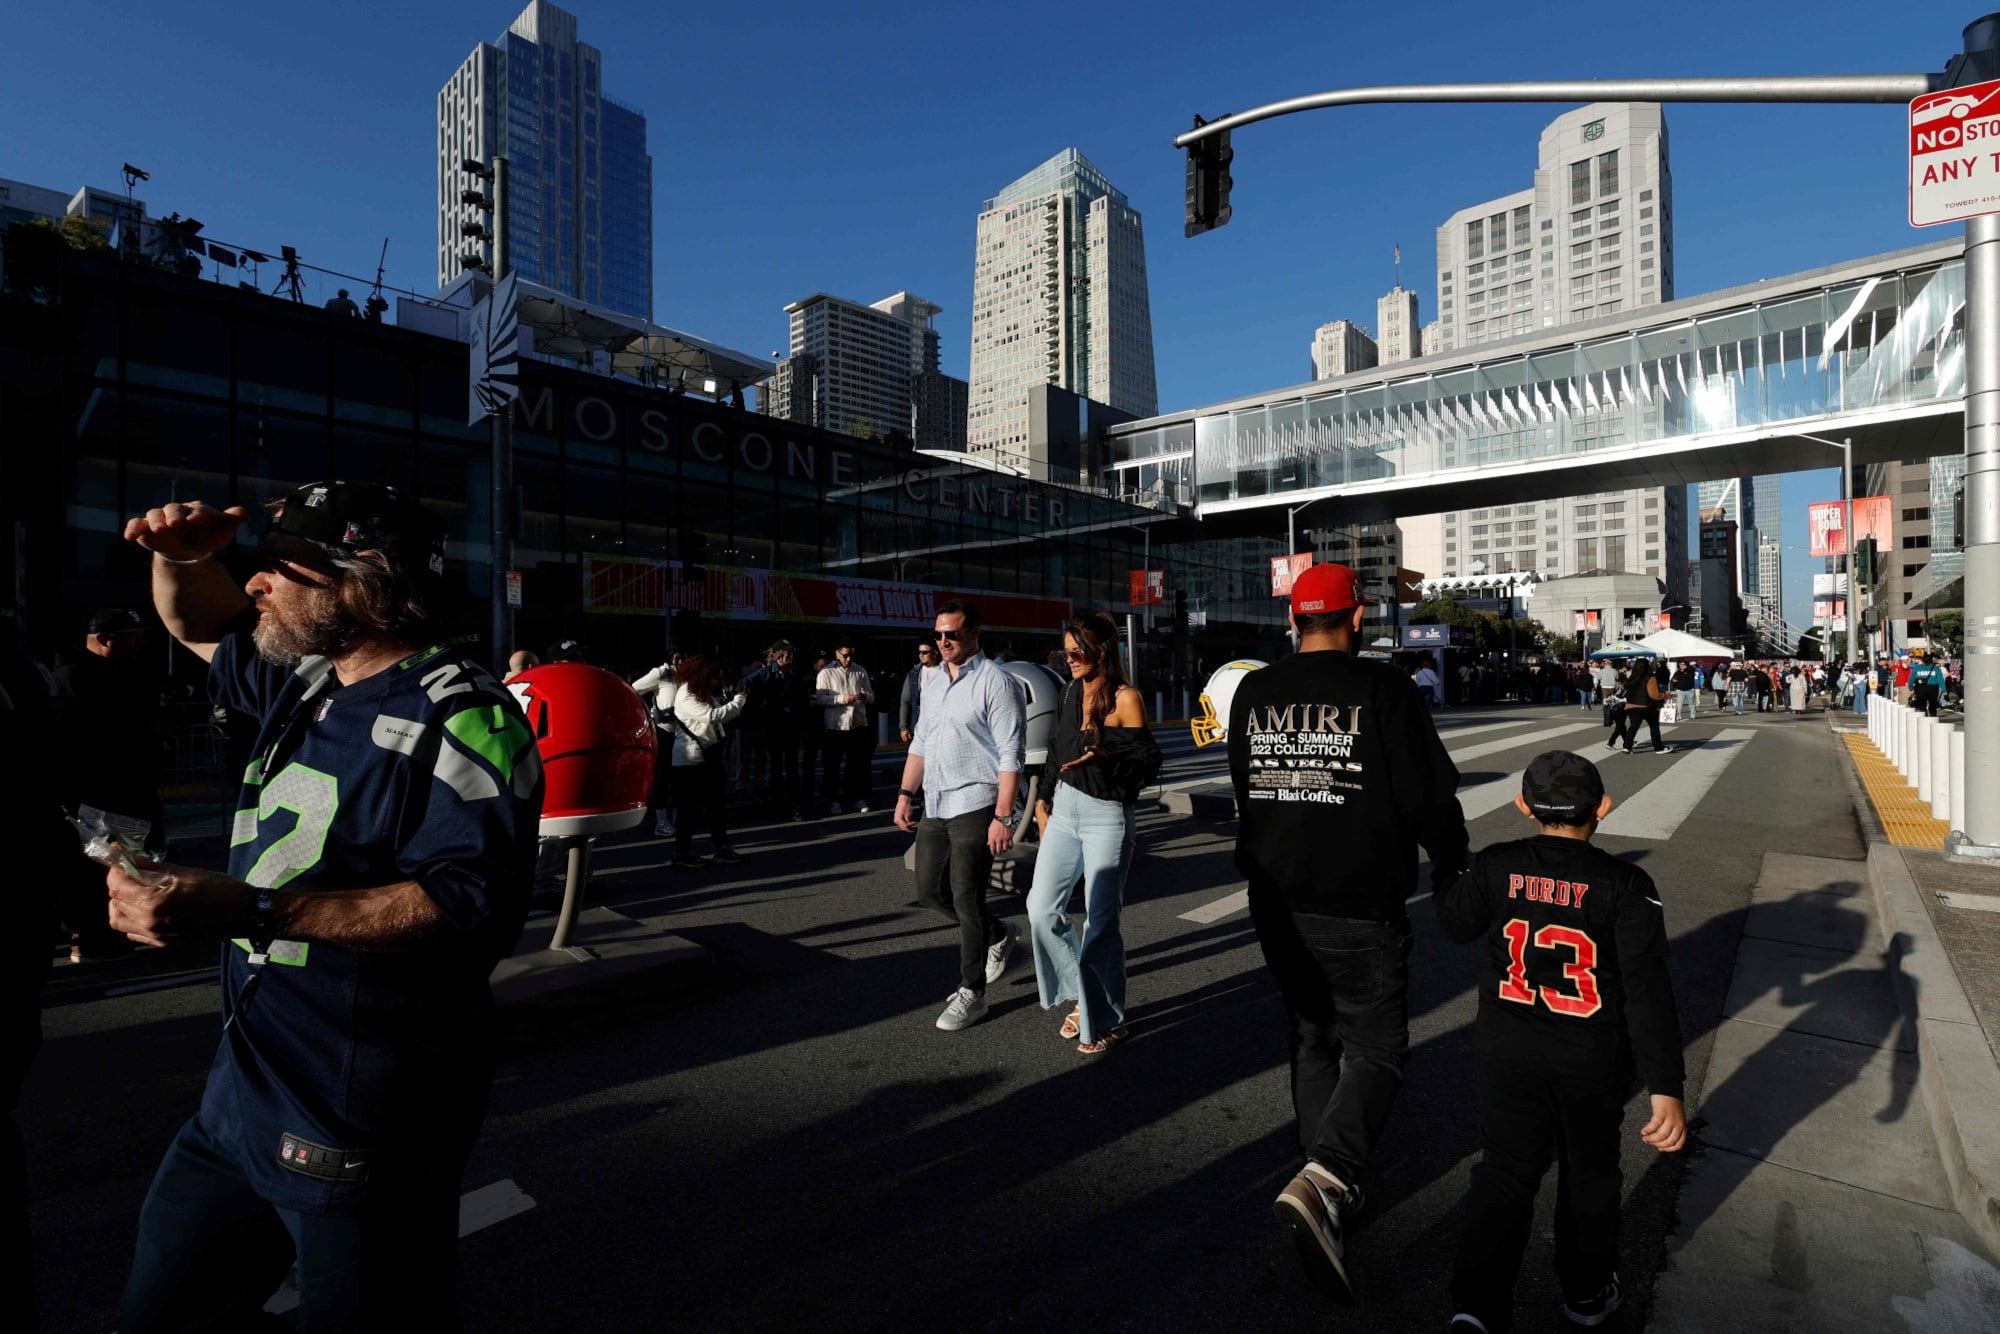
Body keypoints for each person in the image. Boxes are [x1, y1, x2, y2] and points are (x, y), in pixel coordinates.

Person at [111, 486, 541, 1330]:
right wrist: (179, 555)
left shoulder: (466, 714)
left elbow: (465, 909)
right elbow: (195, 623)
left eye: (280, 565)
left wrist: (251, 911)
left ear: (363, 579)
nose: (256, 582)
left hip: (362, 1111)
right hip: (241, 1099)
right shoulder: (305, 678)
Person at [1228, 563, 1470, 1305]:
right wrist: (1453, 864)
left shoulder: (1255, 692)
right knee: (1375, 1047)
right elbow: (1429, 796)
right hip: (1359, 899)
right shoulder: (1385, 689)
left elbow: (1247, 786)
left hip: (1276, 897)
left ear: (1293, 620)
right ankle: (1329, 1177)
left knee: (1310, 1036)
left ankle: (1319, 1173)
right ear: (1357, 617)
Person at [1435, 750, 1686, 1333]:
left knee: (1504, 1169)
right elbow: (1648, 991)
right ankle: (1586, 1290)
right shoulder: (1627, 884)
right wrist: (1665, 1087)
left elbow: (1455, 923)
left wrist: (1450, 864)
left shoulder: (1497, 865)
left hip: (1507, 1045)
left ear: (1523, 806)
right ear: (1602, 806)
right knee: (1590, 1171)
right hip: (1589, 1057)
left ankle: (1477, 1302)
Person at [1025, 613, 1160, 1055]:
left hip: (1107, 815)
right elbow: (1056, 754)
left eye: (1078, 651)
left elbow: (1146, 768)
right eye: (1066, 652)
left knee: (1101, 923)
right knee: (1041, 909)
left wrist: (1105, 754)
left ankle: (1107, 1017)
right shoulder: (1067, 691)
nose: (1071, 660)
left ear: (1102, 651)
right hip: (1063, 809)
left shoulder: (1125, 698)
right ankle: (1084, 994)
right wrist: (1043, 803)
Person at [893, 600, 1027, 1033]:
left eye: (952, 634)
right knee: (930, 891)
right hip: (936, 801)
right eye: (939, 634)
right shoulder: (931, 683)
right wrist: (904, 794)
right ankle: (999, 933)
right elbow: (921, 746)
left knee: (966, 896)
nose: (944, 641)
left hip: (978, 801)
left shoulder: (996, 682)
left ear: (974, 635)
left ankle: (973, 993)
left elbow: (1012, 754)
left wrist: (1003, 817)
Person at [52, 607, 168, 963]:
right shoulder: (73, 678)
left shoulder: (114, 673)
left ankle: (105, 931)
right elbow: (89, 738)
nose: (140, 644)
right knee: (98, 865)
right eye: (132, 637)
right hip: (100, 791)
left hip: (123, 788)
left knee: (125, 859)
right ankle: (93, 936)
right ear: (104, 640)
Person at [665, 655, 748, 868]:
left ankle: (721, 848)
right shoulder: (685, 694)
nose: (716, 680)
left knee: (716, 808)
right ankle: (682, 854)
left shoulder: (702, 692)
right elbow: (712, 716)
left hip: (707, 756)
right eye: (712, 675)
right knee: (688, 811)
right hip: (689, 760)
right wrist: (739, 700)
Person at [815, 641, 876, 814]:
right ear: (836, 654)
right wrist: (841, 699)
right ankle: (834, 799)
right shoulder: (826, 672)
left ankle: (856, 797)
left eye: (851, 655)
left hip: (857, 723)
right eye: (844, 655)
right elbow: (820, 699)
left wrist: (865, 697)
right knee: (833, 766)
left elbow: (872, 695)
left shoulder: (860, 670)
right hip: (835, 726)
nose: (848, 659)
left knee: (856, 765)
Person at [633, 653, 684, 837]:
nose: (681, 662)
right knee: (662, 776)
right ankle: (661, 821)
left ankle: (679, 818)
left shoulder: (688, 675)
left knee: (680, 776)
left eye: (684, 658)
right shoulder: (662, 673)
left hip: (684, 732)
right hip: (663, 730)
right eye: (677, 658)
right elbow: (634, 689)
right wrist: (650, 714)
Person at [1608, 659, 1667, 755]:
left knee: (1633, 726)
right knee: (1654, 727)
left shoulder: (1632, 676)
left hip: (1631, 705)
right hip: (1647, 705)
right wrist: (1664, 695)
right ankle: (1658, 747)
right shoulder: (1650, 677)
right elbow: (1654, 695)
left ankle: (1627, 747)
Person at [898, 640, 942, 743]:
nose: (921, 655)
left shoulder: (945, 671)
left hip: (940, 726)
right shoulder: (913, 674)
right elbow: (905, 701)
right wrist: (903, 727)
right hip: (919, 726)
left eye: (925, 652)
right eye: (919, 652)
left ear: (935, 653)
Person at [1908, 652, 1947, 717]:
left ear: (1923, 660)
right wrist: (1944, 690)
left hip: (1920, 688)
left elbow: (1911, 680)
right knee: (1932, 704)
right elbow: (1941, 680)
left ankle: (1924, 719)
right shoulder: (1936, 668)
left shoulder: (1917, 668)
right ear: (1931, 660)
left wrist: (1911, 688)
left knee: (1922, 705)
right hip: (1933, 688)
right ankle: (1933, 717)